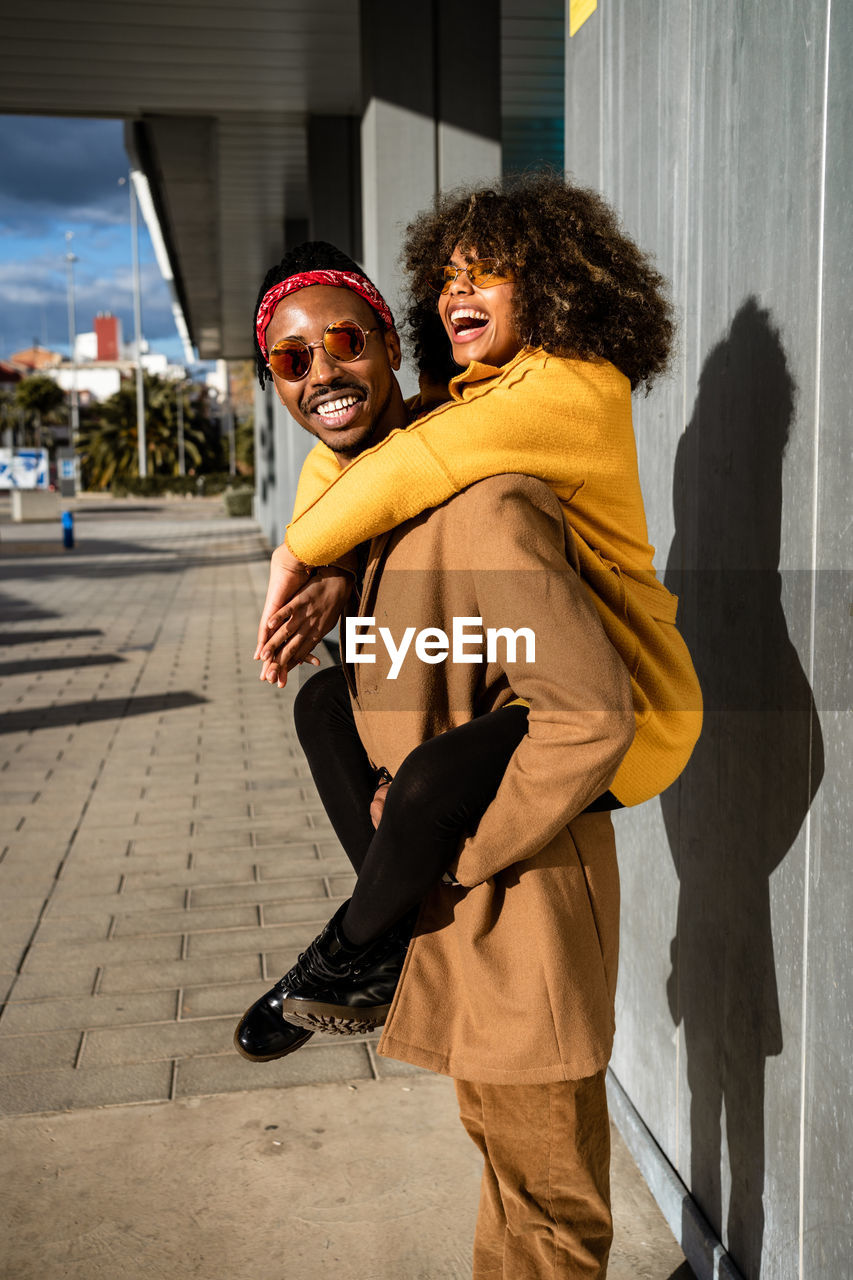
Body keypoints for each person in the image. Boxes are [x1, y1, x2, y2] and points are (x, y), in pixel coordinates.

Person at [236, 243, 638, 1274]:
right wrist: (336, 577)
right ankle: (358, 946)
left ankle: (347, 948)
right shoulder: (374, 513)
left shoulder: (487, 502)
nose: (321, 370)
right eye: (291, 360)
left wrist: (454, 856)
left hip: (518, 899)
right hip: (446, 912)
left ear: (387, 344)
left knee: (549, 1208)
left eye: (343, 340)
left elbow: (588, 715)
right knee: (508, 1182)